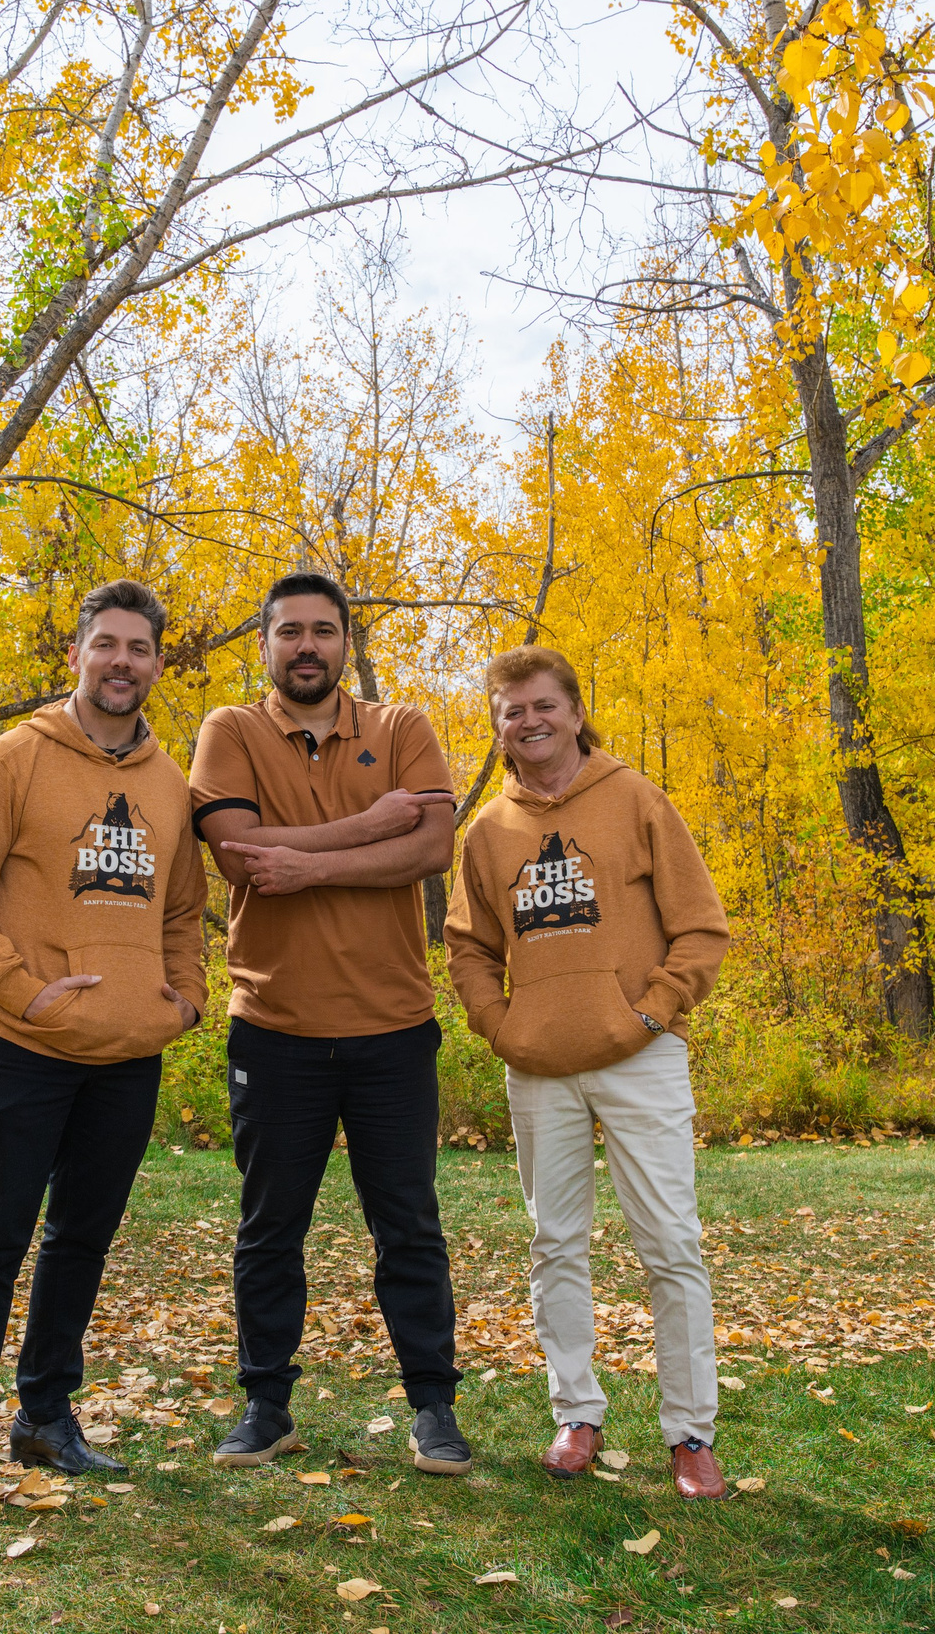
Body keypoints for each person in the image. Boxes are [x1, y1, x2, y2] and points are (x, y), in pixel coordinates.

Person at [0, 579, 208, 1525]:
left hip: (129, 1050)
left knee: (81, 1237)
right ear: (76, 655)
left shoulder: (170, 786)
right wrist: (20, 990)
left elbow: (185, 910)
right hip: (26, 1046)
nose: (122, 661)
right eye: (106, 644)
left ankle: (45, 1415)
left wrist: (186, 1000)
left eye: (140, 648)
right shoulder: (13, 761)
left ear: (159, 663)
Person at [189, 572, 471, 1475]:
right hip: (274, 1026)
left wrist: (304, 860)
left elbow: (430, 848)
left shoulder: (401, 728)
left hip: (392, 1025)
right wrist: (370, 823)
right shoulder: (229, 731)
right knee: (270, 1227)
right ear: (264, 644)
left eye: (323, 631)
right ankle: (266, 1405)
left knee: (410, 1226)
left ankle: (433, 1405)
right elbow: (236, 850)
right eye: (288, 632)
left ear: (347, 643)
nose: (306, 645)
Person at [443, 644, 734, 1499]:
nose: (528, 721)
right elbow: (466, 945)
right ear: (497, 728)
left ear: (574, 711)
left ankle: (689, 1433)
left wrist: (654, 1008)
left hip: (642, 1057)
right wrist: (500, 1026)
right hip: (540, 1070)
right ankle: (577, 1412)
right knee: (555, 1244)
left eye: (543, 705)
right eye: (510, 710)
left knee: (671, 1245)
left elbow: (700, 926)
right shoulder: (487, 833)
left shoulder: (637, 798)